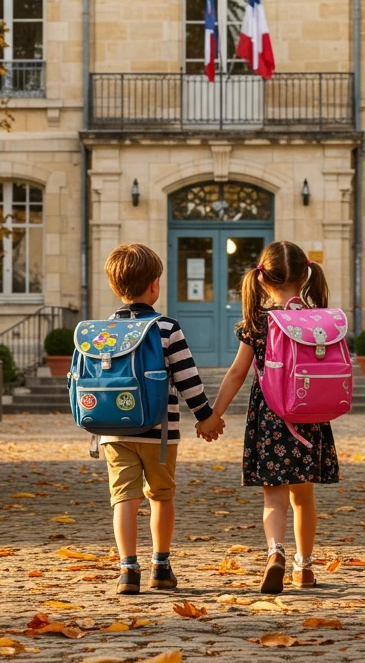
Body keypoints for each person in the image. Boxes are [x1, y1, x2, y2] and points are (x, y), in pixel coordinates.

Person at [204, 240, 340, 593]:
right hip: (309, 416)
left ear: (263, 280)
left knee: (273, 496)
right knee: (303, 497)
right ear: (306, 275)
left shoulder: (259, 323)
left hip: (270, 416)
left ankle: (275, 551)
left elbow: (236, 373)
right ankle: (304, 566)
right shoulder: (319, 321)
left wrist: (213, 415)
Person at [99, 243, 225, 595]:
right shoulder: (166, 327)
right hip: (161, 432)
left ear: (114, 285)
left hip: (113, 430)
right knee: (161, 496)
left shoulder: (103, 330)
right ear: (155, 285)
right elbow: (187, 378)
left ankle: (127, 570)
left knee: (123, 498)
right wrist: (206, 417)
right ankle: (161, 565)